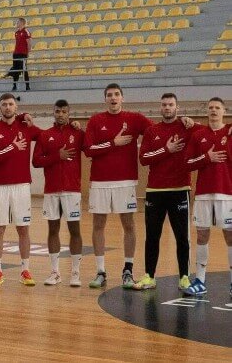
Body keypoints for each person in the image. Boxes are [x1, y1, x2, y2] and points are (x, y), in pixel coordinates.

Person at [84, 84, 192, 289]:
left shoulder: (135, 119)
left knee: (129, 225)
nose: (113, 98)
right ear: (105, 99)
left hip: (126, 181)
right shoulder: (95, 120)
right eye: (109, 95)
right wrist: (113, 143)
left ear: (122, 98)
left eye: (117, 94)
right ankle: (100, 271)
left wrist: (183, 120)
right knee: (98, 225)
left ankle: (128, 270)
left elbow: (160, 129)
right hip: (99, 181)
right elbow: (88, 149)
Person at [134, 94, 194, 291]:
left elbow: (210, 131)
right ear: (160, 108)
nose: (167, 107)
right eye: (164, 105)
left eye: (171, 104)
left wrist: (192, 122)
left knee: (182, 237)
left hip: (180, 190)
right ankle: (149, 276)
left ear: (177, 107)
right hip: (155, 191)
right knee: (152, 236)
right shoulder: (152, 131)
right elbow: (144, 158)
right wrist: (167, 149)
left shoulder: (186, 127)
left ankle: (184, 277)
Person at [0, 93, 41, 286]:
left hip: (22, 186)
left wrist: (73, 126)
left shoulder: (26, 127)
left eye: (11, 104)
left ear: (16, 107)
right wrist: (12, 147)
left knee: (23, 229)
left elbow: (47, 136)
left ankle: (25, 270)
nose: (7, 107)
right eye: (4, 104)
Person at [32, 99, 85, 287]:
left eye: (64, 111)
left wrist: (80, 127)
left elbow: (91, 147)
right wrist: (57, 156)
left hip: (72, 190)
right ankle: (55, 272)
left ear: (69, 113)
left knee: (75, 231)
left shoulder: (78, 133)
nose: (60, 114)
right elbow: (36, 161)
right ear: (53, 113)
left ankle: (75, 273)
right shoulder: (45, 135)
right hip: (51, 191)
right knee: (53, 230)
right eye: (57, 111)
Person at [183, 97, 231, 296]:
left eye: (217, 107)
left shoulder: (230, 133)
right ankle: (200, 281)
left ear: (224, 111)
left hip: (227, 194)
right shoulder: (199, 135)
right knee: (202, 235)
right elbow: (187, 163)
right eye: (210, 107)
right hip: (203, 194)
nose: (213, 110)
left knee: (230, 236)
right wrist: (206, 158)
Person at [5, 17, 31, 91]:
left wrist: (27, 53)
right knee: (15, 70)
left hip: (23, 53)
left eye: (18, 22)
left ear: (22, 23)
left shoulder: (26, 32)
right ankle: (14, 85)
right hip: (16, 53)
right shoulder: (16, 32)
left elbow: (29, 43)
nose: (16, 23)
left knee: (24, 69)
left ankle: (27, 86)